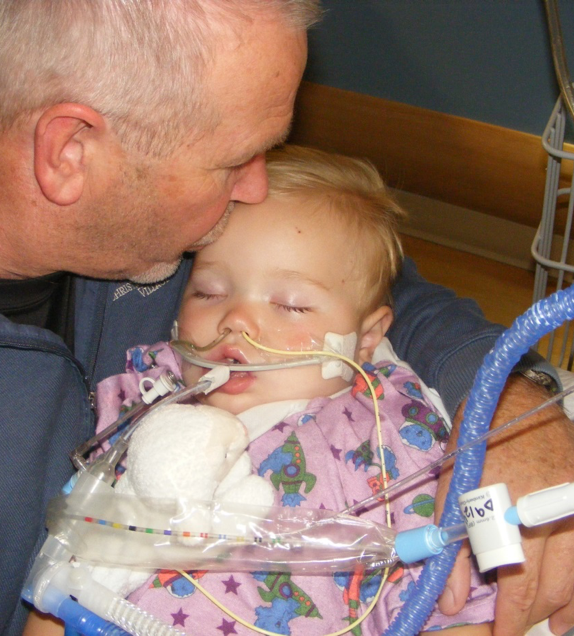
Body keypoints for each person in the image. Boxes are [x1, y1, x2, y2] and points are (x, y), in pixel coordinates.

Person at [0, 1, 574, 635]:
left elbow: (369, 277)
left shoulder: (88, 125)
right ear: (71, 153)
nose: (256, 188)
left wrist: (508, 402)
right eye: (235, 162)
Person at [71, 144, 496, 635]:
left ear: (367, 338)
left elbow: (453, 609)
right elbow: (62, 570)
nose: (236, 320)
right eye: (208, 292)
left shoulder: (389, 435)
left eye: (291, 305)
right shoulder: (143, 398)